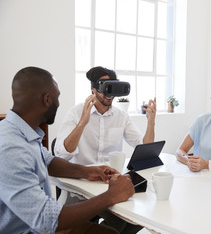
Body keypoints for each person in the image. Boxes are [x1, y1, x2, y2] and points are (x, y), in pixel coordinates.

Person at [0, 66, 135, 234]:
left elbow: (48, 161)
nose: (59, 103)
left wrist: (88, 171)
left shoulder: (21, 131)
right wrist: (110, 196)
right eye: (58, 97)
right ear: (47, 99)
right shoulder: (10, 148)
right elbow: (46, 220)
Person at [54, 66, 156, 165]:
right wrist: (82, 124)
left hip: (110, 175)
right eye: (106, 88)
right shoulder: (76, 113)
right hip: (82, 175)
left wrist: (151, 122)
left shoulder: (121, 117)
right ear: (93, 89)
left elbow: (144, 149)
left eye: (112, 89)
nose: (109, 95)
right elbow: (62, 155)